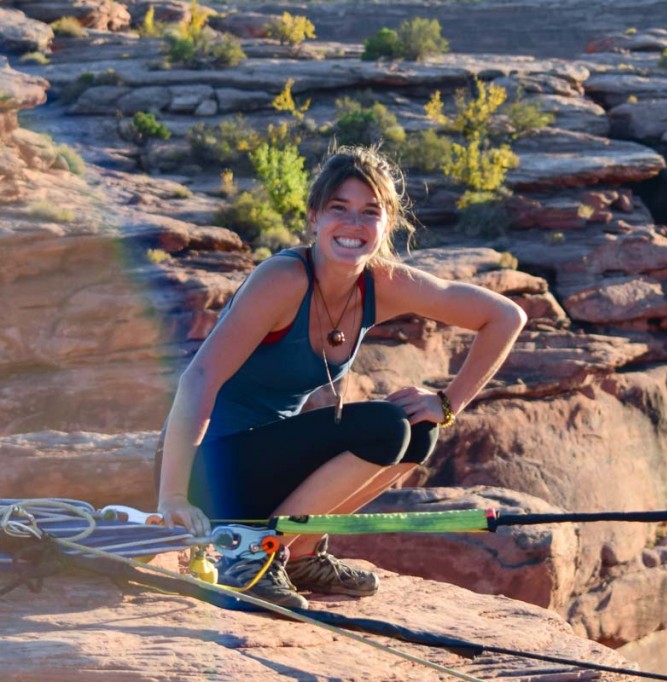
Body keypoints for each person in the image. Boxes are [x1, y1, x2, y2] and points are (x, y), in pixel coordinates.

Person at [156, 145, 527, 608]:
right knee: (384, 428)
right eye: (339, 209)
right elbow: (199, 380)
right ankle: (254, 554)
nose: (353, 225)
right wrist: (171, 494)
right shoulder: (284, 278)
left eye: (369, 212)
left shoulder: (385, 284)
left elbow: (506, 317)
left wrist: (448, 403)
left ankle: (297, 551)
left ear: (386, 224)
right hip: (208, 470)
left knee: (419, 430)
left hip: (267, 467)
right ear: (314, 216)